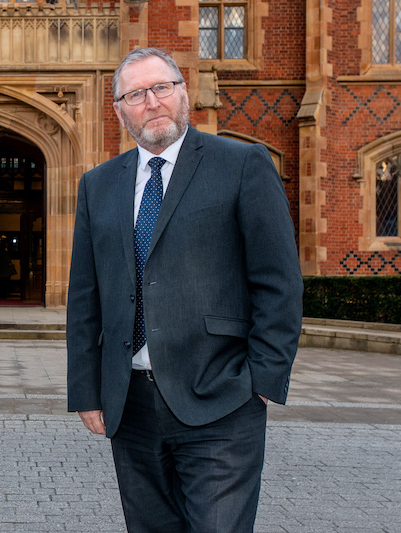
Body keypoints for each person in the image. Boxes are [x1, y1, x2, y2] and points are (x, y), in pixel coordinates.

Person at [66, 48, 303, 532]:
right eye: (136, 94)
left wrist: (262, 380)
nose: (151, 102)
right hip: (129, 403)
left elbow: (278, 281)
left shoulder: (242, 164)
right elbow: (84, 298)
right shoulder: (98, 184)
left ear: (183, 91)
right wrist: (87, 390)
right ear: (118, 110)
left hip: (222, 397)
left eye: (161, 88)